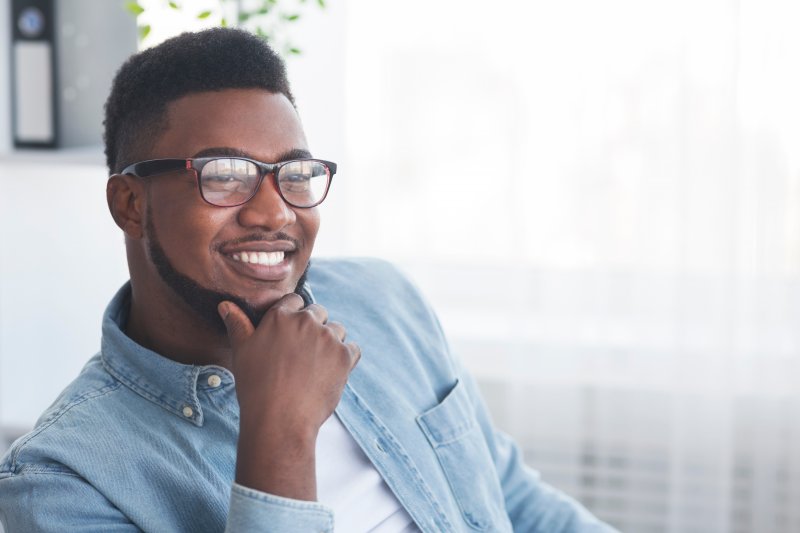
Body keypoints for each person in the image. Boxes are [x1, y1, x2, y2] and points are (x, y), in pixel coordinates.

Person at [0, 28, 617, 532]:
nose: (274, 212)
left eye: (293, 173)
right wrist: (282, 432)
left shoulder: (383, 300)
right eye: (223, 174)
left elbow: (515, 502)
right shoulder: (61, 485)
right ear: (130, 203)